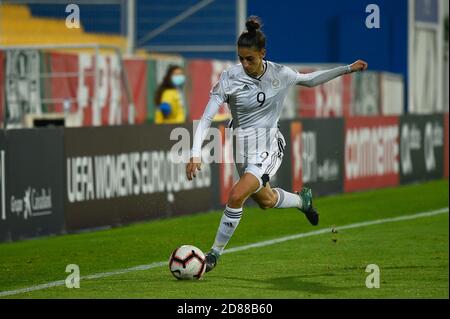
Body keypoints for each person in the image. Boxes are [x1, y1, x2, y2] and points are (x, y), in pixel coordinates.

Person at [186, 16, 368, 273]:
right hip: (241, 145)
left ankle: (214, 254)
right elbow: (206, 117)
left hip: (269, 145)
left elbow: (310, 79)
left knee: (236, 195)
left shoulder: (280, 74)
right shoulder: (230, 78)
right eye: (241, 58)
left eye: (250, 58)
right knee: (266, 201)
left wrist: (346, 68)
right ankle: (302, 202)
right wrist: (195, 152)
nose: (245, 64)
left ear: (263, 53)